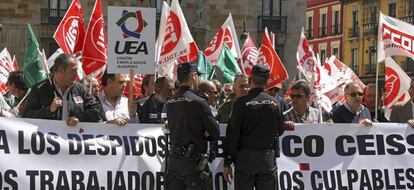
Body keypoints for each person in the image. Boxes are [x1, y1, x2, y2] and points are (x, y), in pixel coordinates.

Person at [223, 64, 285, 190]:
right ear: (267, 82)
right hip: (266, 159)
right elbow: (280, 130)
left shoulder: (240, 103)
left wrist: (228, 161)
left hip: (245, 160)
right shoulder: (275, 103)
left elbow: (232, 134)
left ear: (250, 79)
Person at [166, 62, 220, 190]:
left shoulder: (170, 101)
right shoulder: (199, 102)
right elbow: (215, 132)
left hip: (174, 163)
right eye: (198, 76)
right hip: (194, 165)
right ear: (194, 76)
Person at [22, 53, 101, 126]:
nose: (76, 74)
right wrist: (49, 111)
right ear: (60, 70)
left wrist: (79, 117)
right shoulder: (39, 89)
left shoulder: (80, 89)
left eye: (76, 70)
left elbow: (97, 111)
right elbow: (26, 115)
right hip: (48, 139)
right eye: (73, 71)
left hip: (73, 139)